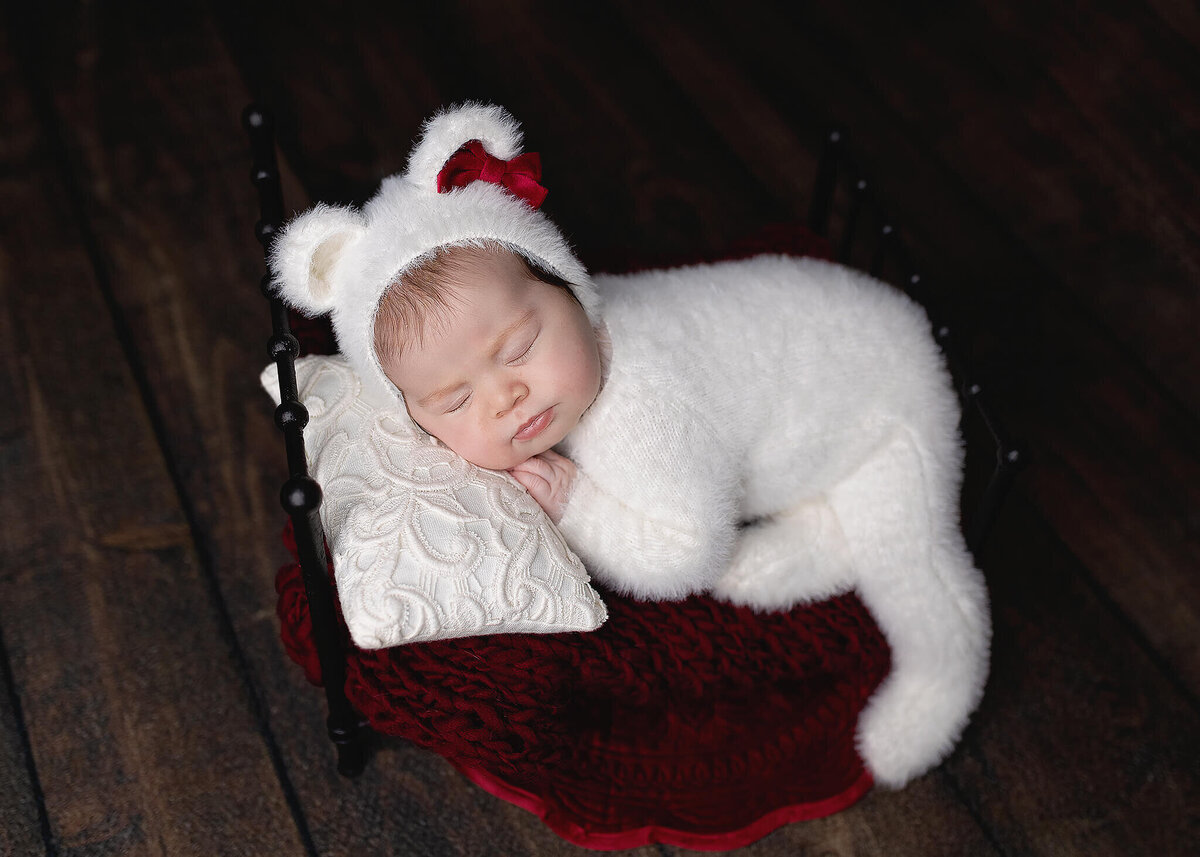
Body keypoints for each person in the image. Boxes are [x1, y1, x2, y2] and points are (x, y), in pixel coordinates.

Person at [269, 102, 990, 788]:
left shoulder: (641, 413)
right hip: (803, 331)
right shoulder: (566, 343)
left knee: (906, 551)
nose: (504, 396)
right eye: (455, 400)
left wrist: (577, 507)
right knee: (762, 559)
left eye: (518, 348)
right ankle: (824, 529)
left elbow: (686, 555)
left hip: (880, 391)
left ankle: (945, 666)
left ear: (574, 290)